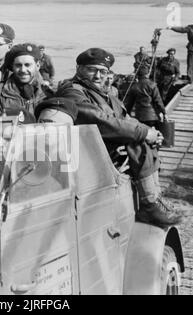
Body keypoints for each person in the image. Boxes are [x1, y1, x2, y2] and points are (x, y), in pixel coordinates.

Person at [55, 47, 182, 229]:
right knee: (138, 142)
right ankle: (149, 203)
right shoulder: (73, 92)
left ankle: (154, 198)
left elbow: (125, 118)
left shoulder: (102, 93)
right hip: (88, 154)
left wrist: (151, 131)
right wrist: (145, 134)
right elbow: (102, 121)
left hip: (103, 148)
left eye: (103, 71)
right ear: (79, 69)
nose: (98, 76)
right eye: (92, 70)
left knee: (143, 140)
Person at [167, 17, 193, 82]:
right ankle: (190, 77)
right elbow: (181, 30)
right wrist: (172, 28)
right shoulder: (190, 28)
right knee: (190, 62)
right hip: (191, 47)